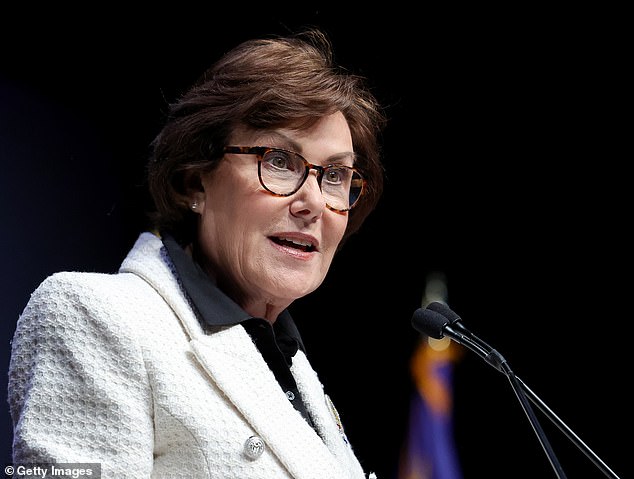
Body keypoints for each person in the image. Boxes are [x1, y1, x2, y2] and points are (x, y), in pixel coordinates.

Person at [8, 28, 386, 478]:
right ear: (195, 180)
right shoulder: (93, 313)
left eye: (336, 175)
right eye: (280, 161)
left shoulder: (290, 364)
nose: (313, 203)